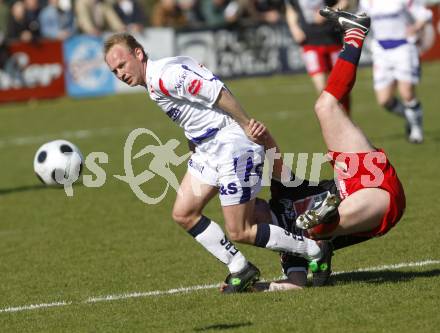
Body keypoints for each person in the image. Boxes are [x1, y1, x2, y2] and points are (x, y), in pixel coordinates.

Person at [103, 33, 323, 293]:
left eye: (122, 64)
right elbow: (193, 111)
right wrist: (193, 148)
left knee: (240, 230)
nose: (120, 73)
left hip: (232, 146)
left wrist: (245, 123)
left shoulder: (164, 76)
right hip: (208, 150)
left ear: (138, 53)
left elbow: (214, 90)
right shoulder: (156, 79)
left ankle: (314, 250)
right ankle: (240, 267)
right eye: (114, 70)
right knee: (184, 213)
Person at [231, 7, 406, 290]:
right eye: (250, 208)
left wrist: (260, 136)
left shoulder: (280, 195)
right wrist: (254, 287)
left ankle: (355, 33)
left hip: (357, 174)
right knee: (309, 230)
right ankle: (319, 234)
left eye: (249, 201)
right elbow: (297, 284)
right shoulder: (286, 248)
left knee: (325, 106)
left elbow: (273, 157)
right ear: (257, 228)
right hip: (376, 202)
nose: (252, 201)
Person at [358, 0, 432, 144]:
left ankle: (416, 131)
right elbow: (361, 18)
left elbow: (424, 15)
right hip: (381, 51)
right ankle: (410, 116)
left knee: (407, 92)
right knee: (384, 100)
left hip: (403, 47)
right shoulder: (366, 1)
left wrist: (416, 27)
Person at [285, 0, 352, 114]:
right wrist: (294, 27)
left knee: (341, 87)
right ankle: (333, 121)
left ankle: (346, 118)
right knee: (322, 88)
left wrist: (328, 13)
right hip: (310, 43)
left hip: (333, 40)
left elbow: (345, 2)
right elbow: (291, 9)